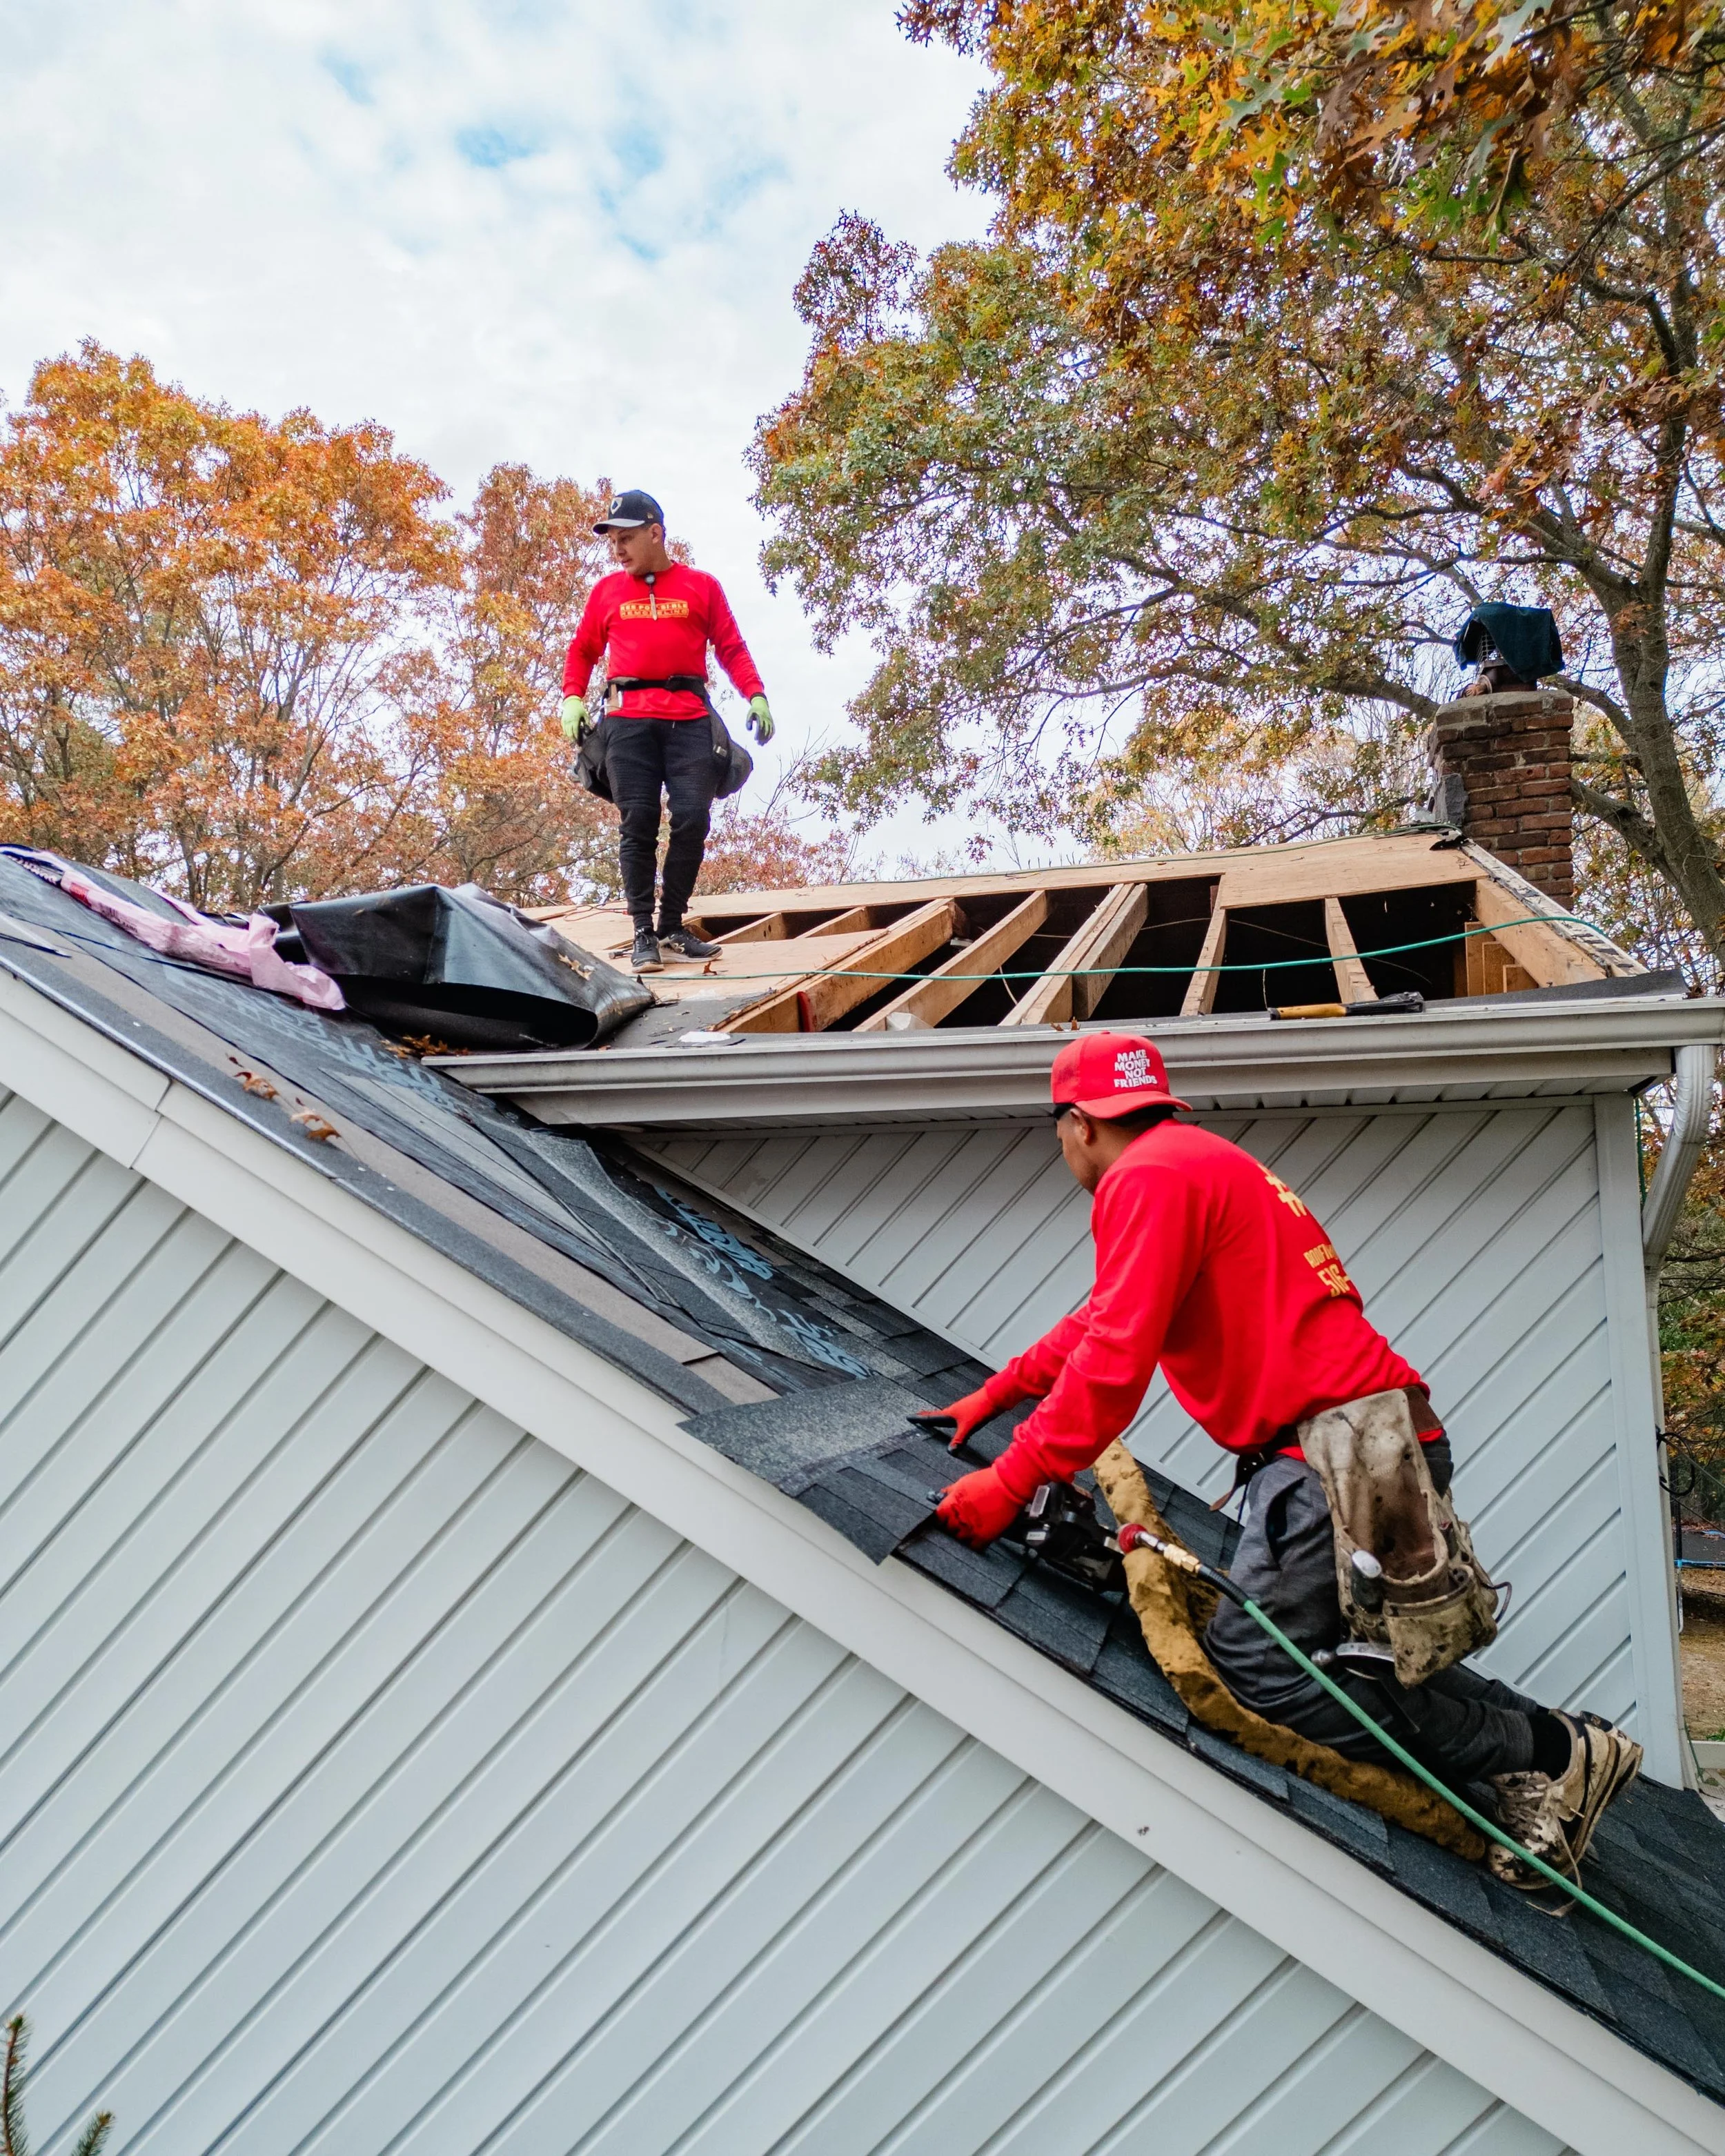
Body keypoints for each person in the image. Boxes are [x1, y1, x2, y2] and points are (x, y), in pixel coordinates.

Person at [923, 1029, 1643, 1888]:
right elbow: (1099, 1322)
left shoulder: (1141, 1180)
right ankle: (1566, 1749)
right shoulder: (1196, 1161)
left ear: (1076, 1123)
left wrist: (1010, 1479)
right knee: (1371, 1659)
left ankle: (1547, 1750)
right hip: (1373, 1434)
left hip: (1333, 1451)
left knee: (1261, 1667)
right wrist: (996, 1394)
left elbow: (1113, 1363)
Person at [561, 489, 775, 973]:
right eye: (612, 540)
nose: (617, 550)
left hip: (689, 719)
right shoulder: (606, 593)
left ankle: (672, 924)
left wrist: (755, 694)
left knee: (693, 819)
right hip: (628, 721)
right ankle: (642, 932)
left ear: (656, 533)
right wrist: (572, 696)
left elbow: (731, 646)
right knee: (637, 819)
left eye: (627, 538)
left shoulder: (702, 586)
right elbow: (582, 650)